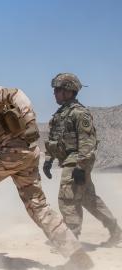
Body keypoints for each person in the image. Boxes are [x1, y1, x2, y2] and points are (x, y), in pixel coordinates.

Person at [0, 49, 92, 269]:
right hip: (23, 154)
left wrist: (29, 123)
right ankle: (77, 256)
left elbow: (17, 94)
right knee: (38, 206)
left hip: (12, 153)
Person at [43, 73, 121, 247]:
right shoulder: (60, 114)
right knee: (88, 199)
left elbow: (87, 142)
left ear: (69, 91)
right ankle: (116, 231)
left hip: (78, 159)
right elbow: (54, 139)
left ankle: (71, 241)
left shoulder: (80, 113)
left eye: (58, 89)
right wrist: (48, 160)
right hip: (70, 159)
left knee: (67, 198)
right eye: (55, 89)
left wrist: (80, 166)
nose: (54, 93)